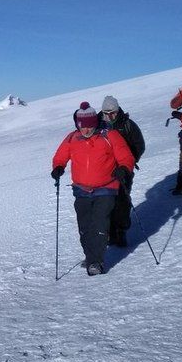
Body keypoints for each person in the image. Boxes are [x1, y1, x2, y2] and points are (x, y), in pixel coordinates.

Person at [51, 102, 135, 276]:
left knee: (99, 223)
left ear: (95, 123)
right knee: (84, 226)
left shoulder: (109, 135)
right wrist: (58, 167)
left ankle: (96, 262)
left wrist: (123, 169)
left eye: (90, 126)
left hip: (106, 188)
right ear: (78, 125)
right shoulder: (72, 138)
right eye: (82, 126)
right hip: (81, 190)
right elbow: (60, 156)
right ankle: (91, 255)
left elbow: (126, 157)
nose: (86, 130)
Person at [97, 96, 145, 247]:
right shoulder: (96, 125)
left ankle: (121, 232)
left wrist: (128, 163)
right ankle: (110, 233)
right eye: (106, 113)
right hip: (104, 172)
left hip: (124, 171)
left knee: (122, 202)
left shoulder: (127, 125)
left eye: (112, 113)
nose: (109, 116)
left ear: (117, 111)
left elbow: (139, 145)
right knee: (106, 203)